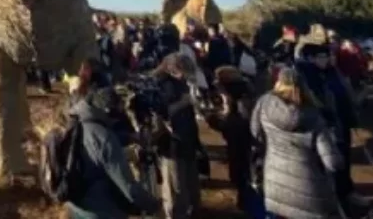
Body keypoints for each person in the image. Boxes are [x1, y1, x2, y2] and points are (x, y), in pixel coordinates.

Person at [251, 66, 344, 219]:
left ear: (278, 82)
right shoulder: (314, 118)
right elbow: (332, 163)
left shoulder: (263, 103)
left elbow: (256, 135)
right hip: (310, 189)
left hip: (275, 181)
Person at [66, 83, 161, 218]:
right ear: (107, 112)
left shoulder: (75, 122)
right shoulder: (105, 138)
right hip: (102, 210)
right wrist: (152, 205)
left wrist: (128, 137)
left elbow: (94, 147)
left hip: (77, 206)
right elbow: (129, 189)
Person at [296, 42, 363, 211]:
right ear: (310, 58)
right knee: (327, 163)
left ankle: (346, 193)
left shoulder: (332, 72)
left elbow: (344, 95)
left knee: (343, 160)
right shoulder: (304, 78)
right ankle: (332, 199)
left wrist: (350, 115)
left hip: (341, 124)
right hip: (322, 128)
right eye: (323, 56)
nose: (328, 59)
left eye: (329, 56)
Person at [153, 53, 202, 219]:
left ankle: (191, 209)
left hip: (187, 138)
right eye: (183, 71)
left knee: (189, 182)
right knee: (174, 185)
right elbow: (161, 114)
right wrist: (185, 102)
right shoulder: (161, 85)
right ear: (171, 68)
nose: (186, 75)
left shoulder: (180, 82)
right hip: (172, 143)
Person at [206, 66, 257, 215]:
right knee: (241, 172)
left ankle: (247, 204)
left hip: (241, 141)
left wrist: (217, 121)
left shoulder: (241, 98)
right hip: (240, 141)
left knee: (241, 173)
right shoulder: (243, 94)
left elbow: (238, 123)